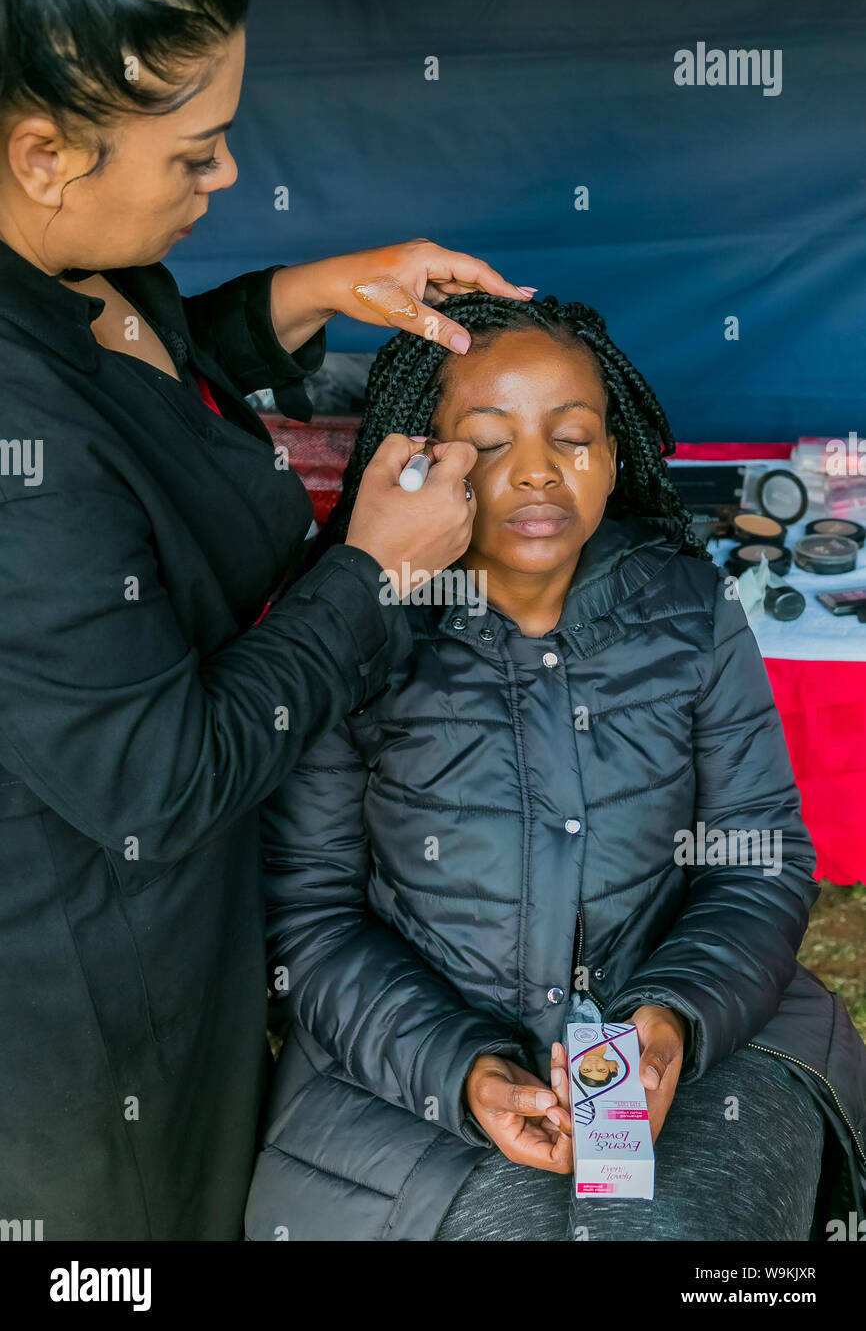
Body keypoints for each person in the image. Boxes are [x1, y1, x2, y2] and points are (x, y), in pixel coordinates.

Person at [0, 0, 534, 1239]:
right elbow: (163, 775)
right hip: (83, 988)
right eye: (194, 153)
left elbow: (147, 382)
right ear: (41, 157)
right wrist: (373, 570)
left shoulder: (78, 267)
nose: (229, 176)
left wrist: (303, 295)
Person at [245, 290, 866, 1242]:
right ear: (420, 460)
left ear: (616, 458)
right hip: (405, 1069)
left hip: (696, 1046)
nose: (538, 471)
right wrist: (467, 1071)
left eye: (573, 436)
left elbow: (759, 853)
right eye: (491, 443)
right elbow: (312, 912)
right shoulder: (351, 631)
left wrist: (673, 1022)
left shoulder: (689, 606)